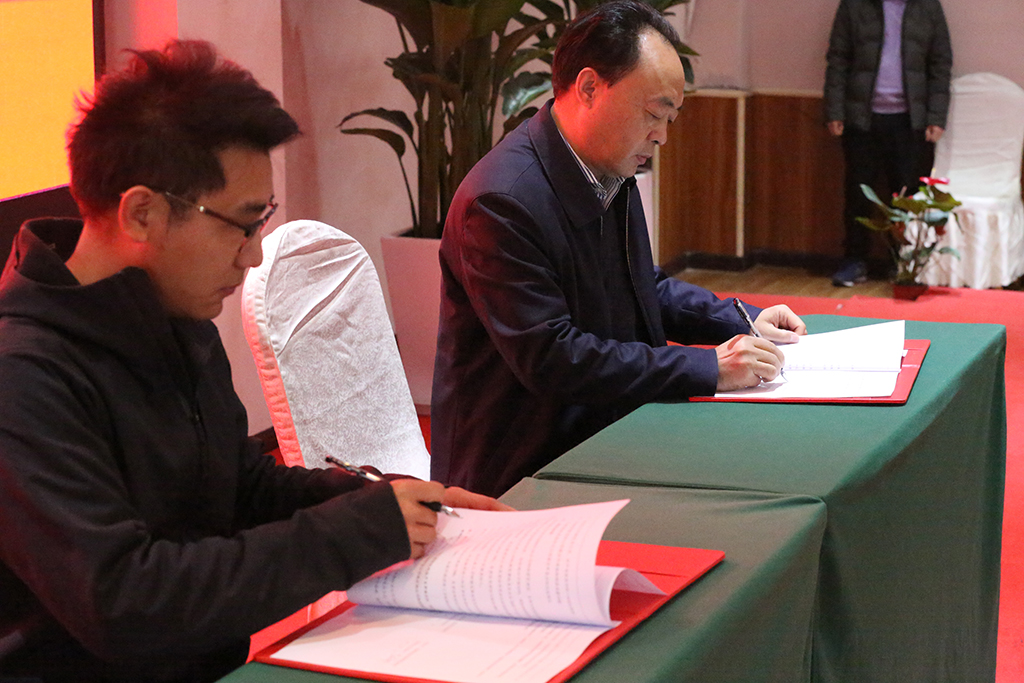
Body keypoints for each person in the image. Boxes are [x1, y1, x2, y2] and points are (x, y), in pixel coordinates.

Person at [0, 40, 505, 683]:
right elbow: (125, 603)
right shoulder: (23, 377)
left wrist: (394, 501)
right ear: (142, 213)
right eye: (242, 224)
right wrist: (357, 531)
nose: (255, 255)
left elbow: (236, 488)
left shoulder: (172, 319)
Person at [430, 0, 807, 498]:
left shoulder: (605, 166)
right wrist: (708, 367)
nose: (662, 136)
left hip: (606, 432)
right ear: (589, 87)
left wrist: (739, 321)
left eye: (670, 117)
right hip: (519, 472)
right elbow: (553, 358)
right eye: (654, 114)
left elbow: (639, 285)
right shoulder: (501, 201)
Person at [824, 0, 952, 286]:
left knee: (906, 197)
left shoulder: (928, 6)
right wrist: (834, 111)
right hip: (862, 119)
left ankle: (903, 263)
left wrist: (936, 116)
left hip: (911, 122)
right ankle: (855, 260)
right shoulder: (854, 5)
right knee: (858, 195)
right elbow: (838, 59)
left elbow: (940, 64)